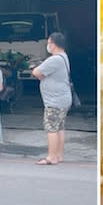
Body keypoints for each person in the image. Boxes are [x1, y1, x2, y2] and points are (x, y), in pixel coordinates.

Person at [32, 32, 72, 165]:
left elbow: (37, 72)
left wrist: (37, 70)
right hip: (63, 99)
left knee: (51, 128)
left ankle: (51, 157)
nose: (47, 45)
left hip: (55, 101)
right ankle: (58, 156)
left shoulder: (54, 59)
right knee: (60, 127)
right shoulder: (64, 57)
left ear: (53, 44)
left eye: (48, 43)